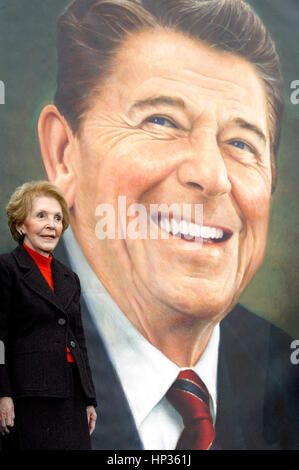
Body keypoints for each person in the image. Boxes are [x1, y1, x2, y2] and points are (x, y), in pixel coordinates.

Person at [37, 0, 299, 450]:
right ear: (64, 153)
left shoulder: (287, 378)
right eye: (161, 121)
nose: (213, 176)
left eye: (241, 142)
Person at [0, 180, 97, 450]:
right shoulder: (6, 268)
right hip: (28, 397)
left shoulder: (70, 278)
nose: (51, 224)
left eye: (57, 218)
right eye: (40, 215)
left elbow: (79, 340)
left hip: (72, 397)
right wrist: (3, 394)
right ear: (21, 225)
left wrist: (88, 399)